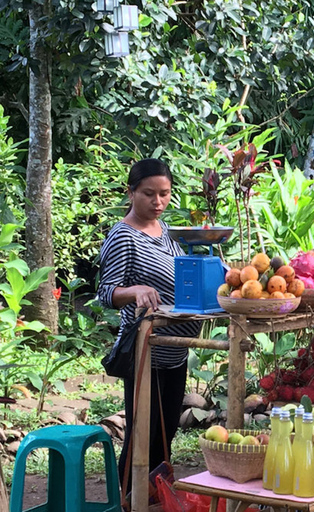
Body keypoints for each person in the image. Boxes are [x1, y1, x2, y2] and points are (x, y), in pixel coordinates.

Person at [98, 158, 201, 492]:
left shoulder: (166, 230)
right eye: (148, 194)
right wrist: (135, 290)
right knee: (142, 432)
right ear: (131, 192)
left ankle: (154, 496)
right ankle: (126, 498)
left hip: (176, 351)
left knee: (166, 429)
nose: (158, 202)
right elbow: (105, 292)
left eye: (164, 194)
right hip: (146, 351)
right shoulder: (123, 236)